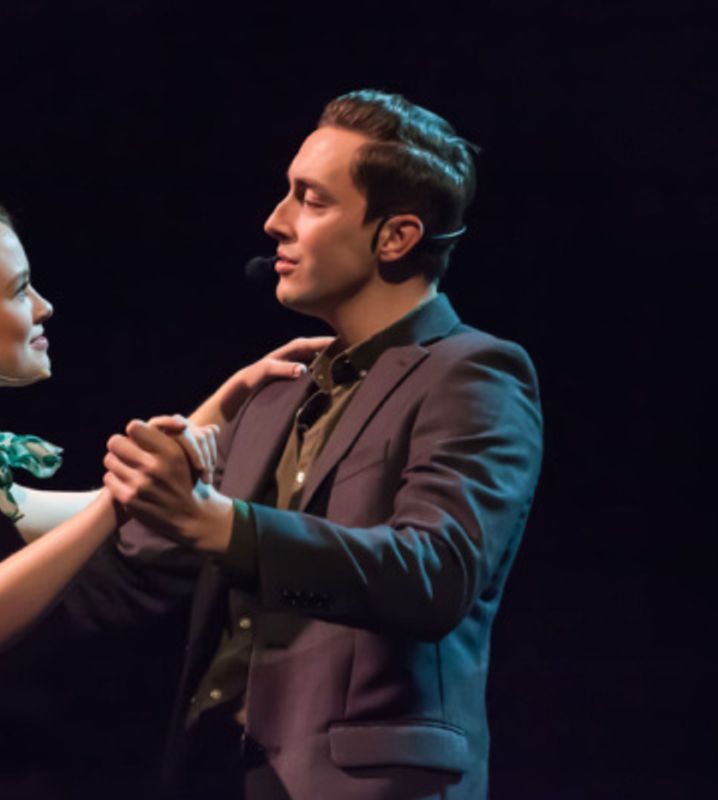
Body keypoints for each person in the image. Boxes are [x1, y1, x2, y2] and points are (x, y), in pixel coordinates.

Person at [0, 193, 329, 799]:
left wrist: (231, 400)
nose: (44, 306)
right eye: (18, 290)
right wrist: (115, 505)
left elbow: (98, 503)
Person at [104, 90, 544, 799]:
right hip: (220, 773)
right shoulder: (275, 388)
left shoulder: (472, 371)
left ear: (395, 237)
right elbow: (148, 563)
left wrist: (225, 524)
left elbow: (436, 575)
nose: (275, 221)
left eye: (310, 200)